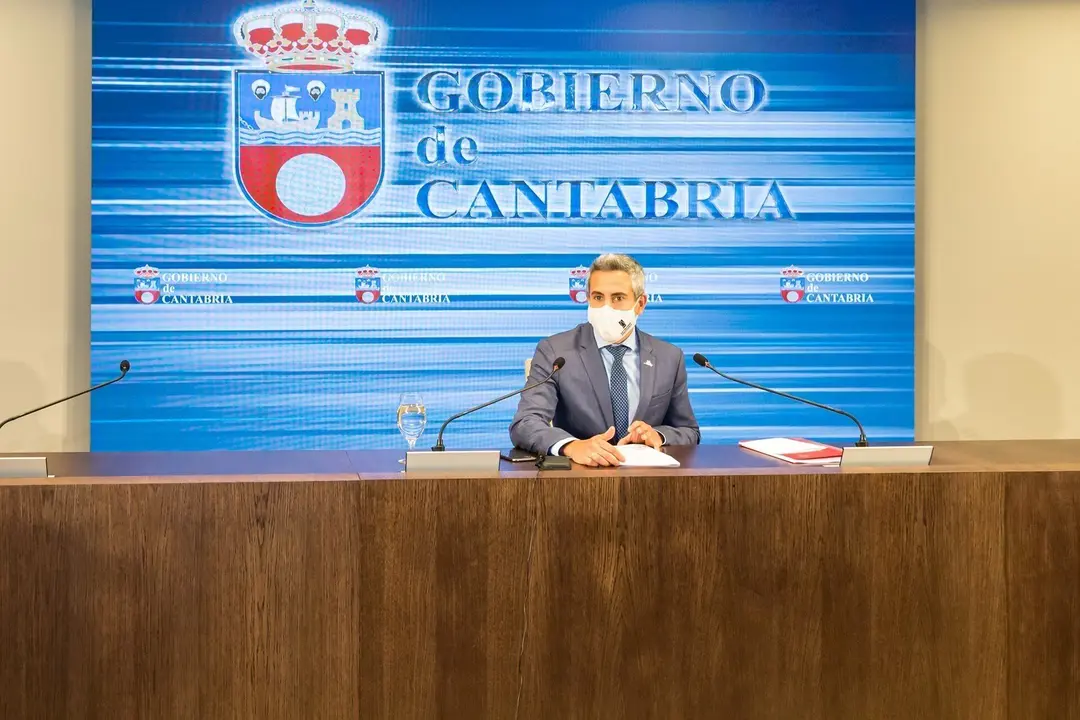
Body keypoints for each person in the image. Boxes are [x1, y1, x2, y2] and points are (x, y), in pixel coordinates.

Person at [510, 253, 700, 466]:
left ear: (640, 304)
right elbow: (525, 423)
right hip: (581, 480)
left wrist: (658, 435)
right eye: (598, 297)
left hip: (649, 483)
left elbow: (688, 431)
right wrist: (572, 446)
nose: (606, 308)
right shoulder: (556, 351)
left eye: (618, 298)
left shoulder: (669, 357)